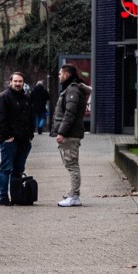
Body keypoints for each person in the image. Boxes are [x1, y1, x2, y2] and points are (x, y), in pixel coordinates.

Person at [51, 64, 91, 207]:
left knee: (72, 165)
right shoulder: (72, 89)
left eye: (60, 73)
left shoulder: (72, 90)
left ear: (66, 75)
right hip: (71, 133)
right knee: (71, 164)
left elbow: (70, 113)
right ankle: (73, 194)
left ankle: (74, 196)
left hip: (70, 134)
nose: (59, 76)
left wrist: (61, 132)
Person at [0, 71, 33, 205]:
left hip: (24, 141)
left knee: (18, 170)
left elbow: (30, 118)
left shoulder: (26, 98)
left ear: (23, 83)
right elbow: (0, 119)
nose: (17, 83)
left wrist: (30, 135)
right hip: (10, 141)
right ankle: (3, 198)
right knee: (6, 169)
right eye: (15, 81)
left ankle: (16, 196)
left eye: (20, 81)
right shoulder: (3, 97)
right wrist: (7, 136)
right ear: (10, 82)